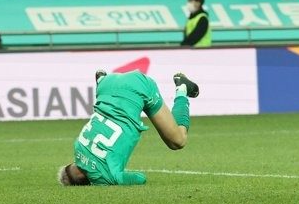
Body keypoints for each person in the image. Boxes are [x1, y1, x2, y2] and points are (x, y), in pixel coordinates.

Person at [58, 71, 200, 186]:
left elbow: (140, 178)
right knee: (106, 109)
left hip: (140, 87)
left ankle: (182, 89)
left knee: (178, 140)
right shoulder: (77, 148)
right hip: (107, 86)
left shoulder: (107, 177)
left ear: (86, 183)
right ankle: (102, 79)